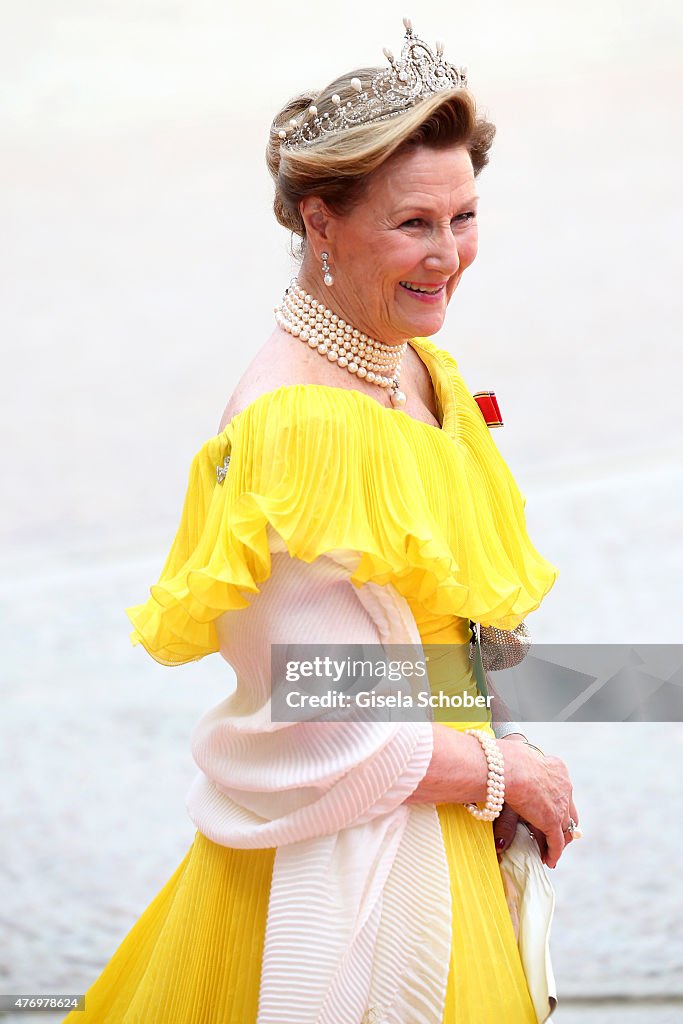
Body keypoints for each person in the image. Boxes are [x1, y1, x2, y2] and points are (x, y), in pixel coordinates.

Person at [63, 17, 579, 1024]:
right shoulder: (290, 425)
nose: (446, 257)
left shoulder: (421, 368)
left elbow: (453, 615)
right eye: (411, 225)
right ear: (320, 223)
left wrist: (504, 737)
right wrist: (501, 771)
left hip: (447, 823)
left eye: (462, 216)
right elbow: (319, 711)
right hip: (357, 871)